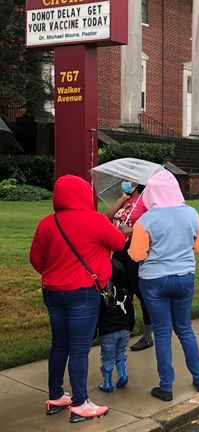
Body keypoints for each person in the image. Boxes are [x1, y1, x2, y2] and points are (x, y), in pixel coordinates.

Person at [30, 175, 125, 422]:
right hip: (83, 291)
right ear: (84, 194)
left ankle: (55, 396)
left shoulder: (46, 223)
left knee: (59, 343)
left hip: (53, 291)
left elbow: (36, 259)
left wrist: (54, 274)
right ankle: (81, 403)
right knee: (79, 349)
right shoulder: (94, 220)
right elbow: (118, 241)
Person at [128, 170, 199, 401]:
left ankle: (166, 387)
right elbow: (198, 247)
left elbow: (136, 254)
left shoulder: (146, 220)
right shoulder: (192, 213)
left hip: (154, 280)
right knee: (184, 328)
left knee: (162, 333)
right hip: (184, 277)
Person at [105, 181, 154, 352]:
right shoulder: (126, 201)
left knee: (140, 291)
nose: (126, 182)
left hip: (135, 249)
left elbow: (153, 225)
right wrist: (121, 198)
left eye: (131, 180)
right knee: (123, 292)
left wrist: (131, 231)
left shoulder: (146, 200)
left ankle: (148, 336)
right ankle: (126, 328)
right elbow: (106, 218)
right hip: (119, 250)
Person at [97, 260, 130, 393]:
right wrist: (130, 326)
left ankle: (107, 382)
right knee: (121, 353)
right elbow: (131, 312)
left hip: (108, 332)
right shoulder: (125, 293)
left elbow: (97, 315)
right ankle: (122, 373)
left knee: (107, 357)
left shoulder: (102, 296)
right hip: (124, 329)